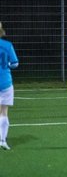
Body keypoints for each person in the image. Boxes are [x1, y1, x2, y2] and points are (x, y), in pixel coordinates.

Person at [0, 22, 19, 150]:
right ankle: (2, 140)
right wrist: (7, 64)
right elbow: (15, 63)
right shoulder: (7, 45)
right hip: (5, 82)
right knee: (3, 112)